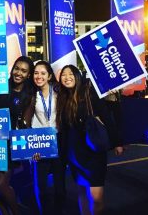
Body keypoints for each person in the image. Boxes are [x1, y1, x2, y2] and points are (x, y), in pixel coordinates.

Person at [56, 65, 123, 215]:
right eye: (63, 75)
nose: (67, 77)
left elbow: (106, 116)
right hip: (74, 153)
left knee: (97, 197)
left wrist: (117, 141)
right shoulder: (62, 97)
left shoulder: (89, 92)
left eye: (70, 74)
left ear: (78, 76)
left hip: (94, 152)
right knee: (82, 191)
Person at [0, 56, 36, 215]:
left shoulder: (29, 95)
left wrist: (29, 147)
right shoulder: (0, 86)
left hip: (11, 144)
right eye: (17, 68)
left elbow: (26, 123)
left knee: (1, 185)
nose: (18, 73)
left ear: (29, 74)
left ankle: (16, 212)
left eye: (24, 71)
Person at [25, 60, 66, 214]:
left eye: (43, 73)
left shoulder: (59, 92)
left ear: (49, 76)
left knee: (60, 187)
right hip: (39, 143)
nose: (39, 76)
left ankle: (59, 211)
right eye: (36, 73)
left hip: (58, 141)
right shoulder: (30, 94)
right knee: (40, 187)